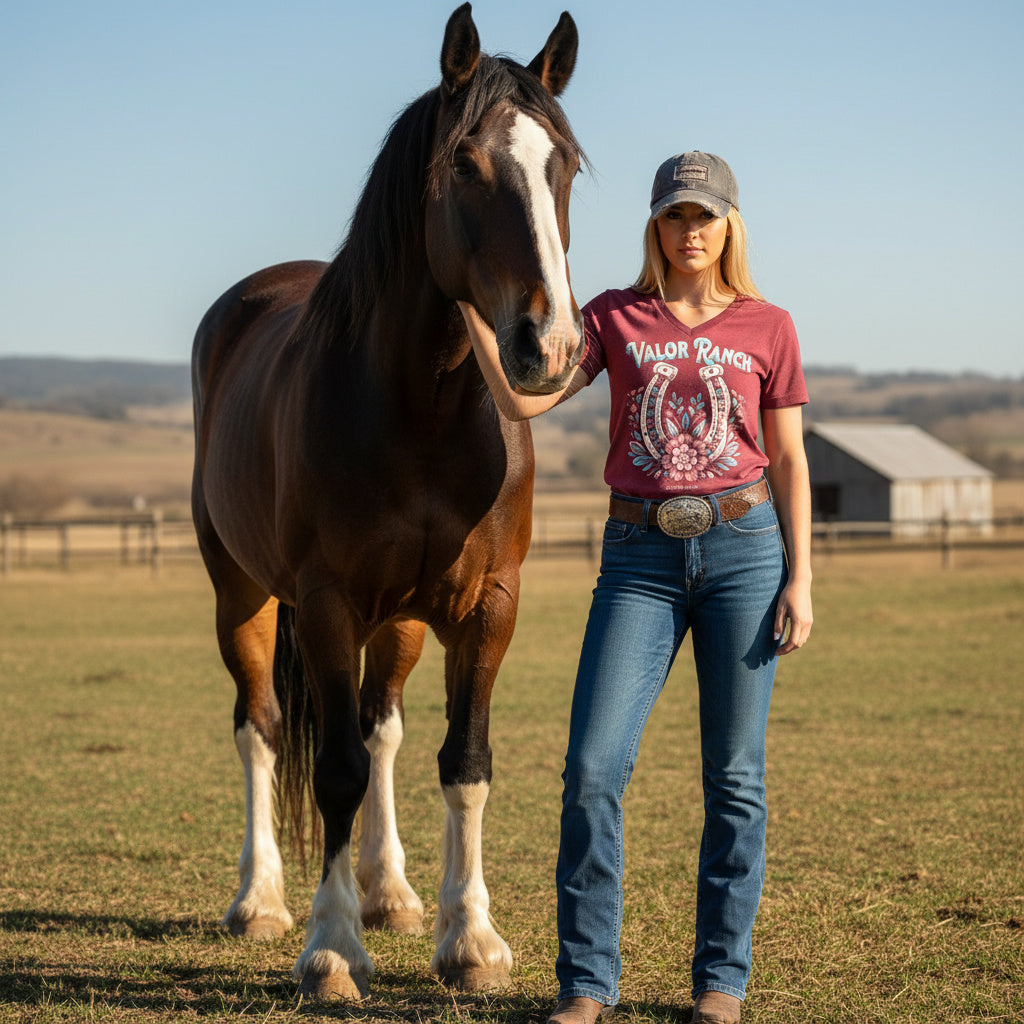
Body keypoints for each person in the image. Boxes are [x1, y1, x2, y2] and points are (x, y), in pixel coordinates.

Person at [459, 150, 812, 1024]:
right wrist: (470, 315)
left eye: (706, 216)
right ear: (655, 225)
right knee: (590, 769)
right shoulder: (614, 316)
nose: (691, 232)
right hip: (639, 562)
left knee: (734, 779)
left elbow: (793, 458)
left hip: (745, 549)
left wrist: (801, 577)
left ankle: (720, 984)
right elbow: (526, 403)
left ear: (730, 225)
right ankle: (586, 986)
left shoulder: (770, 326)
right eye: (675, 216)